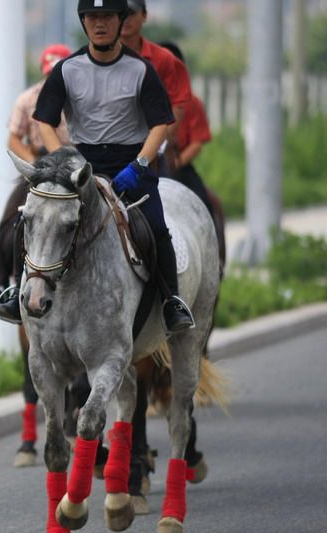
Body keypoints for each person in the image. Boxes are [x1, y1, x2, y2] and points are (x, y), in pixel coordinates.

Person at [33, 0, 195, 333]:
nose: (100, 23)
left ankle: (171, 302)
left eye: (107, 16)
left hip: (131, 163)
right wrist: (62, 159)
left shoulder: (141, 70)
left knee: (156, 228)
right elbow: (45, 122)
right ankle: (15, 290)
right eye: (92, 17)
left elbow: (161, 125)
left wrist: (139, 166)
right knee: (36, 217)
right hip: (82, 164)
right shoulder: (67, 69)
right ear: (83, 22)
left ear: (121, 21)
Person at [0, 43, 72, 323]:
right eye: (51, 72)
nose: (54, 78)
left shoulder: (80, 97)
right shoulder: (27, 99)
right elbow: (14, 138)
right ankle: (6, 288)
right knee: (11, 221)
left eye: (59, 72)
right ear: (43, 71)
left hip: (75, 168)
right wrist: (34, 166)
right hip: (40, 166)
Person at [120, 0, 193, 174]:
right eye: (119, 13)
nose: (125, 19)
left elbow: (177, 105)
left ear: (144, 15)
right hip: (107, 150)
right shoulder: (97, 60)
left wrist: (156, 146)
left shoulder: (164, 59)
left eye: (131, 13)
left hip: (153, 152)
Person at [159, 41, 216, 218]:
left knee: (205, 204)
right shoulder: (143, 100)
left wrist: (176, 163)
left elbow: (197, 143)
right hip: (146, 165)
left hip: (177, 166)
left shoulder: (192, 103)